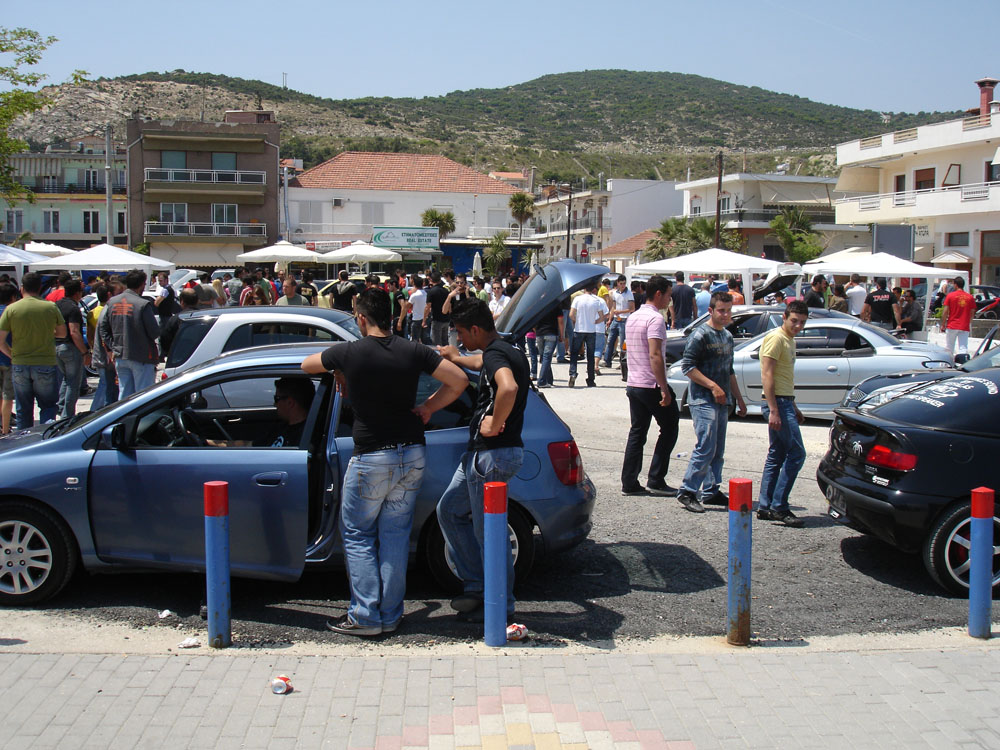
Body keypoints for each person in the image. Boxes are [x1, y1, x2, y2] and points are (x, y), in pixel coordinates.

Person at [302, 288, 467, 636]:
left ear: (361, 318)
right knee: (395, 535)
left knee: (358, 534)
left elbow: (306, 365)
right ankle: (390, 615)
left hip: (372, 456)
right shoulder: (414, 350)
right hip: (412, 452)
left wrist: (339, 370)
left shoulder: (349, 352)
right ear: (391, 315)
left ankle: (365, 616)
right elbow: (459, 380)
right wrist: (428, 408)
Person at [435, 298, 530, 624]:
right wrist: (457, 358)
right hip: (485, 455)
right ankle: (477, 587)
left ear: (475, 329)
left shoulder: (496, 355)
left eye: (462, 333)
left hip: (492, 455)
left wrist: (494, 422)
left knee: (489, 534)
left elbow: (508, 387)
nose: (460, 339)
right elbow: (482, 363)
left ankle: (499, 607)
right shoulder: (504, 350)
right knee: (449, 510)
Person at [676, 291, 748, 513]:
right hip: (702, 400)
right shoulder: (700, 335)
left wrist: (740, 399)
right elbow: (688, 367)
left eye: (729, 311)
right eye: (721, 311)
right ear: (711, 310)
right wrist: (712, 386)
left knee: (717, 450)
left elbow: (730, 370)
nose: (726, 315)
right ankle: (688, 491)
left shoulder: (727, 336)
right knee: (705, 447)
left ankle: (711, 490)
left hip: (722, 401)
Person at [621, 275, 679, 497]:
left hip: (634, 382)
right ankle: (656, 478)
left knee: (637, 432)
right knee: (670, 427)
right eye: (668, 295)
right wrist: (663, 387)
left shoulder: (634, 317)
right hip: (650, 383)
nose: (669, 300)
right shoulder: (655, 319)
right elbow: (655, 355)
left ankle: (629, 482)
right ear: (658, 294)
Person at [756, 300, 809, 527]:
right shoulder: (777, 338)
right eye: (794, 321)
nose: (798, 326)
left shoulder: (790, 340)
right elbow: (767, 375)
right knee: (797, 453)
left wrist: (793, 406)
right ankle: (779, 506)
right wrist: (774, 410)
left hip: (784, 401)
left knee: (777, 453)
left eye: (802, 322)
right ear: (785, 317)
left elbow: (783, 377)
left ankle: (765, 505)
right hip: (777, 403)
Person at [0, 272, 66, 428]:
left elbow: (0, 341)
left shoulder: (12, 309)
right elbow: (62, 333)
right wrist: (47, 332)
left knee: (23, 408)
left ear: (22, 288)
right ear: (40, 287)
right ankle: (46, 436)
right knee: (48, 406)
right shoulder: (50, 307)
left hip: (20, 363)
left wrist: (12, 355)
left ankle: (24, 439)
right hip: (45, 362)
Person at [100, 269, 160, 399]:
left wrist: (113, 346)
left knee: (124, 396)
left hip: (120, 356)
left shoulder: (112, 302)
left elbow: (103, 329)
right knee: (144, 397)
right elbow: (154, 332)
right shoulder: (143, 304)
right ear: (142, 284)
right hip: (142, 356)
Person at [54, 279, 90, 419]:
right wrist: (84, 352)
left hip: (56, 346)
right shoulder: (73, 308)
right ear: (77, 293)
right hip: (70, 347)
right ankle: (67, 416)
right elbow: (74, 331)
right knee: (74, 383)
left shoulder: (56, 305)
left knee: (66, 379)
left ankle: (61, 407)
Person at [568, 281, 607, 388]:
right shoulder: (596, 301)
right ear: (593, 289)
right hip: (591, 330)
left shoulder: (578, 299)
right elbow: (602, 317)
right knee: (590, 356)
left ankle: (572, 373)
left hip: (579, 329)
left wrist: (576, 321)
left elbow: (571, 314)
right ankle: (590, 379)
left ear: (584, 289)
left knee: (574, 354)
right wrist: (595, 322)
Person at [88, 281, 119, 411]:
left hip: (99, 354)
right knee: (108, 390)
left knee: (105, 386)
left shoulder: (93, 312)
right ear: (109, 294)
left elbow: (90, 335)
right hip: (106, 356)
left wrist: (91, 349)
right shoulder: (109, 311)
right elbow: (104, 335)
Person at [159, 288, 199, 360]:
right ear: (197, 301)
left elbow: (165, 340)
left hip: (179, 358)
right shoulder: (207, 318)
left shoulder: (175, 319)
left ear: (182, 301)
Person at [604, 275, 634, 369]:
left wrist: (620, 312)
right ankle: (607, 361)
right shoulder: (615, 293)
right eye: (621, 283)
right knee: (610, 340)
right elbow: (613, 307)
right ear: (617, 283)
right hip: (616, 319)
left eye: (624, 283)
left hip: (624, 319)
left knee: (622, 343)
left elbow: (632, 308)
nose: (623, 285)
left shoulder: (629, 293)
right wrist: (610, 319)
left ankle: (623, 363)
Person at [942, 276, 975, 360]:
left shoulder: (950, 296)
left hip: (952, 324)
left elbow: (945, 311)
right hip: (964, 325)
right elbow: (972, 312)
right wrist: (969, 322)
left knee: (949, 347)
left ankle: (949, 362)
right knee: (963, 346)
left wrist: (943, 324)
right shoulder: (970, 297)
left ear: (955, 285)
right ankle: (962, 361)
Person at [0, 282, 17, 433]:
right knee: (7, 396)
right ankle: (5, 429)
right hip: (8, 359)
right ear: (12, 297)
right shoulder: (11, 312)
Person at [425, 271, 451, 346]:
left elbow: (427, 307)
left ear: (431, 280)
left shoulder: (431, 292)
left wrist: (424, 320)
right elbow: (449, 305)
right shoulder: (446, 291)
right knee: (445, 341)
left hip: (436, 319)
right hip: (446, 319)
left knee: (436, 342)